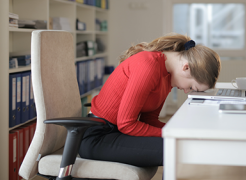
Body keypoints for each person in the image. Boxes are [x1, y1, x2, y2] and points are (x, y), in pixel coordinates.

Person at [79, 33, 221, 167]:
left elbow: (149, 120)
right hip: (98, 137)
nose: (186, 91)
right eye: (191, 87)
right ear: (186, 67)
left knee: (180, 144)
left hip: (117, 133)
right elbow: (126, 124)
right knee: (176, 149)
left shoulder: (167, 76)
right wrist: (171, 133)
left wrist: (179, 131)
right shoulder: (148, 66)